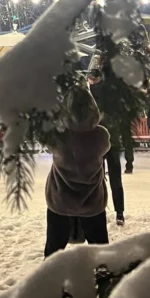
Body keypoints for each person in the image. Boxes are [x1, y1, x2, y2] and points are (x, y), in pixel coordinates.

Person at [44, 87, 110, 258]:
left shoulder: (58, 137)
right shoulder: (101, 136)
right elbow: (106, 149)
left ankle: (49, 282)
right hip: (92, 201)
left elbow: (43, 139)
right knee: (100, 251)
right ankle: (105, 282)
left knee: (53, 251)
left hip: (60, 201)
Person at [88, 70, 126, 227]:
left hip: (97, 141)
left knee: (96, 178)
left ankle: (98, 210)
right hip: (113, 139)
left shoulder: (91, 95)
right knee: (116, 177)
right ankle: (120, 213)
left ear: (92, 80)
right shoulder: (113, 93)